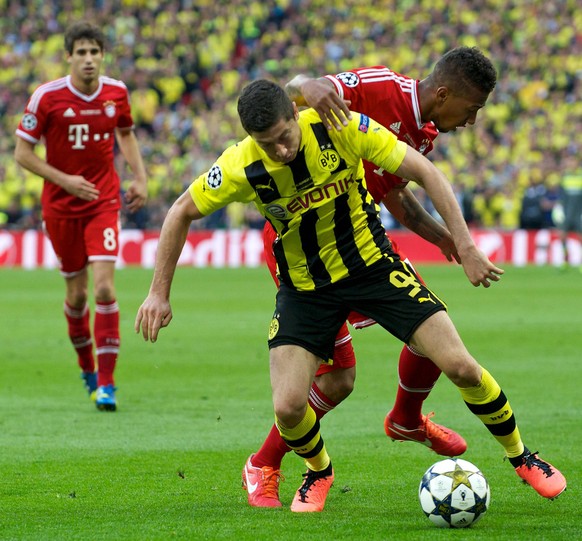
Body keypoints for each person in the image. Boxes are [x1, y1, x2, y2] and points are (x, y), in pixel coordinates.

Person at [135, 79, 566, 512]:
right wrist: (158, 294)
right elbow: (180, 212)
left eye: (285, 137)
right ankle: (319, 471)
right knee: (288, 406)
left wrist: (466, 246)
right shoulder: (238, 165)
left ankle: (521, 456)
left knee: (460, 366)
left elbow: (425, 172)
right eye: (268, 145)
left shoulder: (338, 126)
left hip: (372, 268)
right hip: (305, 290)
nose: (281, 150)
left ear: (295, 114)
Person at [243, 47, 492, 508]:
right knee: (340, 380)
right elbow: (306, 90)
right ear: (444, 94)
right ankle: (264, 462)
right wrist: (303, 82)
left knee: (432, 327)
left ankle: (405, 418)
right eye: (472, 108)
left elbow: (394, 194)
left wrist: (443, 238)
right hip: (307, 255)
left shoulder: (423, 132)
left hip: (357, 244)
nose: (472, 120)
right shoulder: (380, 88)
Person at [14, 21, 148, 411]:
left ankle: (107, 384)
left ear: (101, 56)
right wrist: (66, 181)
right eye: (82, 52)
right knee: (76, 296)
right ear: (69, 56)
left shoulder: (117, 92)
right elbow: (22, 153)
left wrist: (138, 178)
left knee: (104, 288)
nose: (88, 59)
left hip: (103, 201)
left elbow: (125, 134)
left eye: (95, 52)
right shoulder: (47, 97)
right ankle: (87, 368)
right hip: (60, 207)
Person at [558, 155, 582, 270]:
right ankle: (565, 260)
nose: (571, 164)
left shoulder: (580, 176)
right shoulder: (565, 178)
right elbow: (562, 197)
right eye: (569, 162)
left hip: (579, 214)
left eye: (573, 162)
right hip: (567, 214)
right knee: (562, 236)